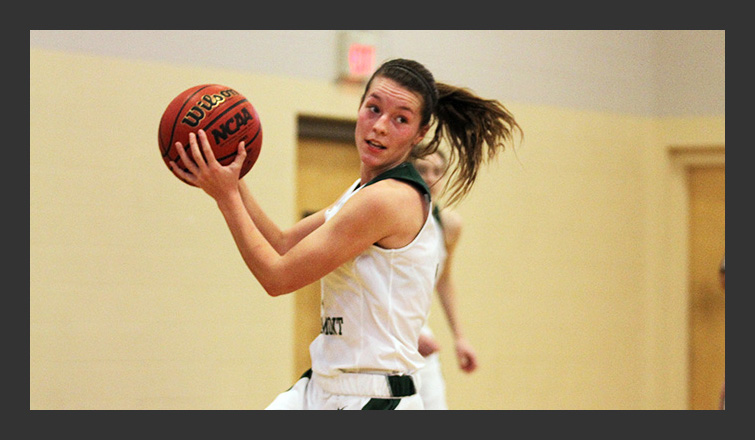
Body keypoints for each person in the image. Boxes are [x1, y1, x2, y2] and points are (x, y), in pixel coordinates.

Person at [169, 58, 521, 410]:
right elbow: (282, 242)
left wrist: (226, 197)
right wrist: (230, 172)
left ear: (420, 133)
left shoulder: (389, 200)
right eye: (374, 109)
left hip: (373, 397)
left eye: (400, 118)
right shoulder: (363, 190)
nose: (380, 126)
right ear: (359, 108)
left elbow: (276, 278)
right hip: (325, 387)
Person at [411, 148, 478, 410]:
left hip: (422, 337)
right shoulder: (391, 217)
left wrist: (459, 337)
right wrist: (407, 335)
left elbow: (444, 280)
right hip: (387, 337)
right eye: (422, 170)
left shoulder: (448, 225)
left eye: (437, 171)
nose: (430, 177)